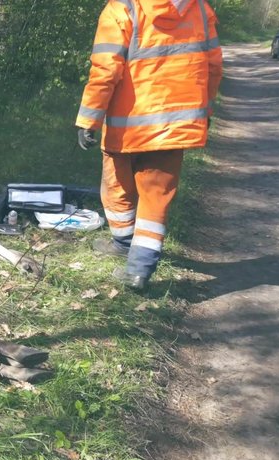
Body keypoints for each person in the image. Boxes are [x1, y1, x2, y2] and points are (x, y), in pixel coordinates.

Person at [75, 0, 223, 290]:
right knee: (156, 198)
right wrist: (205, 111)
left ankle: (123, 243)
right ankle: (139, 269)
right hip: (175, 125)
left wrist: (88, 119)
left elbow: (105, 70)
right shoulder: (200, 10)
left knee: (118, 186)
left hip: (127, 126)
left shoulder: (121, 9)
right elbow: (213, 66)